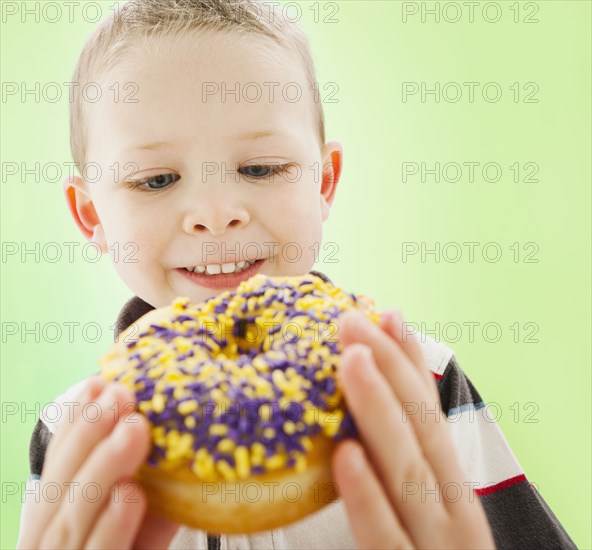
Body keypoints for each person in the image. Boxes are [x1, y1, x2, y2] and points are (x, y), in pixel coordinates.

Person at [17, 0, 576, 548]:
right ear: (92, 216)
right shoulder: (77, 432)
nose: (215, 213)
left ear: (323, 181)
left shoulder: (413, 382)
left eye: (261, 168)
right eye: (156, 180)